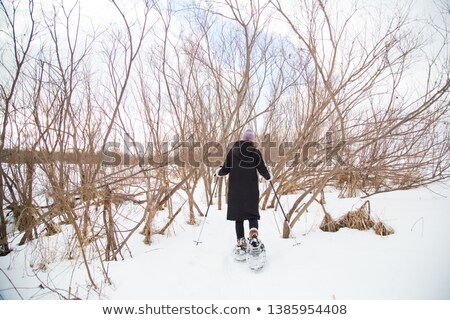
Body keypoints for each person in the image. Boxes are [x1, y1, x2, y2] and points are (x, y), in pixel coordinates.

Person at [215, 128, 272, 255]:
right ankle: (253, 237)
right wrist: (269, 176)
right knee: (252, 215)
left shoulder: (232, 151)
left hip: (236, 190)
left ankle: (241, 243)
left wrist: (218, 172)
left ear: (241, 138)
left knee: (238, 217)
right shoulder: (256, 153)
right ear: (252, 140)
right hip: (251, 189)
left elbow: (225, 169)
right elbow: (262, 169)